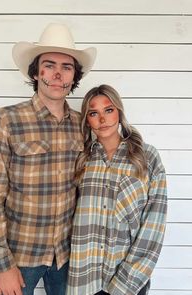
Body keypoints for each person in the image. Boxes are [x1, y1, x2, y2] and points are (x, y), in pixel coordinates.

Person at [0, 23, 96, 295]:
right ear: (36, 71)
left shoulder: (82, 124)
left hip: (67, 257)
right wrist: (1, 265)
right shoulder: (7, 119)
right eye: (49, 64)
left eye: (66, 67)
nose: (57, 74)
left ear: (73, 77)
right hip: (20, 257)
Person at [67, 84, 167, 295]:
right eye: (94, 113)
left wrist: (126, 283)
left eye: (109, 110)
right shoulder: (80, 159)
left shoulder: (147, 157)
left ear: (119, 112)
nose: (102, 119)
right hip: (85, 279)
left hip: (129, 280)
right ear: (87, 120)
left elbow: (154, 224)